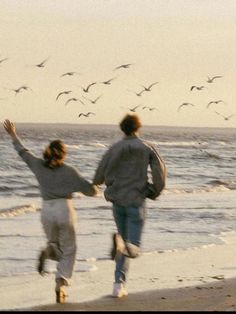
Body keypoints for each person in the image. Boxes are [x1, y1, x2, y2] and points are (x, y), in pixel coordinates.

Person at [3, 119, 98, 304]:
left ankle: (49, 251)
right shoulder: (70, 171)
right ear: (64, 154)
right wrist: (97, 186)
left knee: (55, 245)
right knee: (69, 249)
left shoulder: (38, 165)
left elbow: (23, 152)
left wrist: (13, 134)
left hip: (46, 210)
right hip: (64, 209)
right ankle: (61, 283)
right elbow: (91, 191)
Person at [93, 113, 166, 298]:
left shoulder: (114, 148)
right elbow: (160, 173)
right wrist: (153, 191)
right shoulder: (146, 147)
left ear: (122, 128)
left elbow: (98, 176)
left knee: (124, 243)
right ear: (138, 128)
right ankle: (119, 276)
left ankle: (119, 285)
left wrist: (107, 183)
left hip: (117, 201)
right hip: (136, 200)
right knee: (133, 248)